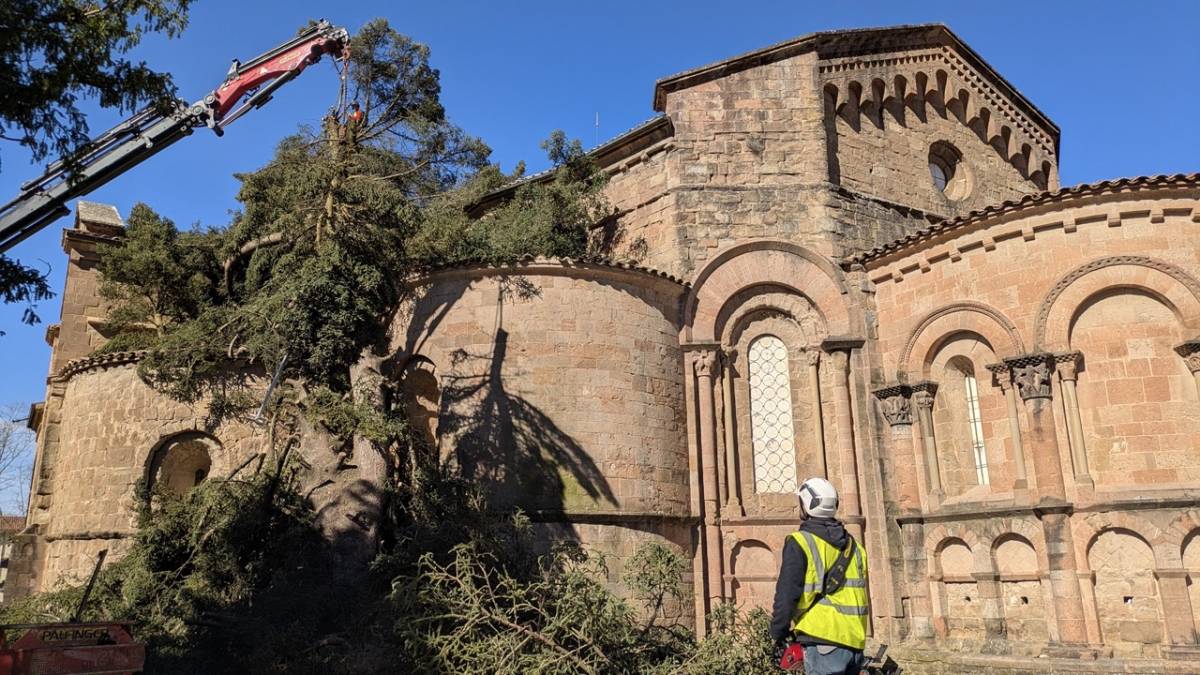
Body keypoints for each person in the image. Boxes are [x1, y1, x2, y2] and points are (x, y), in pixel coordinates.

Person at [769, 477, 869, 674]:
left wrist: (777, 632)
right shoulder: (855, 547)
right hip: (855, 641)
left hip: (822, 641)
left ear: (805, 506)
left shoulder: (801, 542)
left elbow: (787, 593)